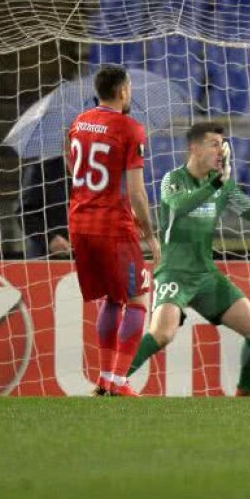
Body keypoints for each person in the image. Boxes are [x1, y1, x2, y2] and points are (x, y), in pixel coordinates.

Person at [125, 122, 250, 396]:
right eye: (214, 144)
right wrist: (216, 183)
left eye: (222, 145)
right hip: (175, 272)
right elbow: (180, 206)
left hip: (207, 276)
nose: (221, 150)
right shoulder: (173, 179)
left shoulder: (223, 187)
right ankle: (113, 382)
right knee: (163, 334)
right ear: (195, 148)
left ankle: (245, 391)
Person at [66, 65, 160, 397]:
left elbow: (73, 166)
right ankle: (119, 381)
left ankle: (105, 379)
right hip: (112, 226)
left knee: (112, 297)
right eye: (129, 88)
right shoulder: (130, 128)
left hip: (80, 223)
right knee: (137, 299)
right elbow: (137, 192)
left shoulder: (79, 122)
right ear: (122, 91)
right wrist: (151, 235)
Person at [20, 156, 71, 258]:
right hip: (45, 256)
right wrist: (49, 239)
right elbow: (24, 212)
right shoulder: (40, 168)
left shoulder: (92, 170)